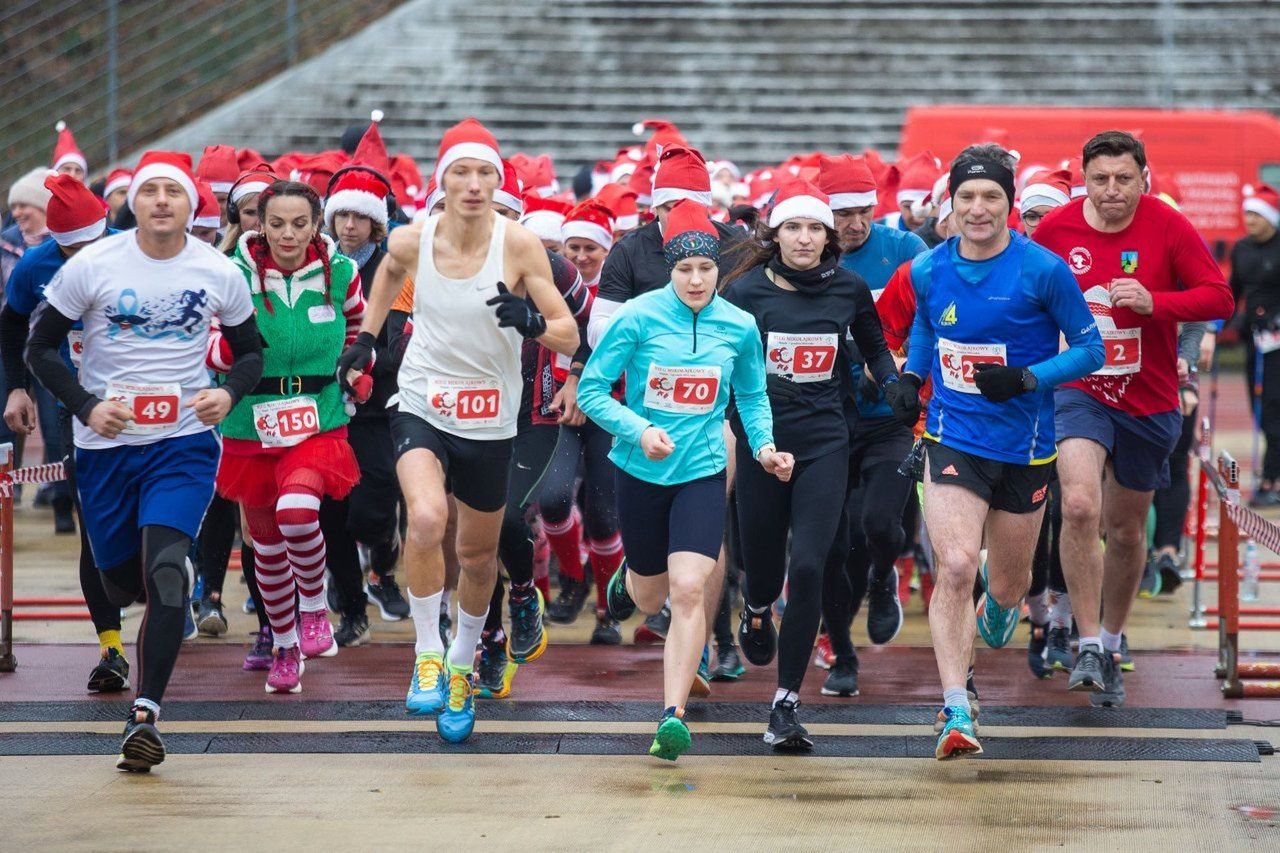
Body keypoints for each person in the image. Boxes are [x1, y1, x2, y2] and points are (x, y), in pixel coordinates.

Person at [337, 118, 579, 743]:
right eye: (460, 173)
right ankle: (426, 653)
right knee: (424, 517)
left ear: (497, 183)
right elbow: (388, 273)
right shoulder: (412, 239)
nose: (473, 184)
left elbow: (568, 333)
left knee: (476, 555)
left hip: (491, 416)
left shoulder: (520, 246)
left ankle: (462, 666)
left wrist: (532, 321)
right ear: (442, 182)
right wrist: (366, 339)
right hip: (422, 399)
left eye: (484, 174)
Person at [26, 150, 263, 771]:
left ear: (192, 205)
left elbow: (251, 354)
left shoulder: (218, 271)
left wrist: (228, 394)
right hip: (106, 448)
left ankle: (145, 715)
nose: (161, 200)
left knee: (166, 573)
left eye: (173, 191)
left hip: (182, 444)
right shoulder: (94, 264)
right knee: (122, 583)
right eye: (150, 190)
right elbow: (39, 347)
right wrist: (86, 406)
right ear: (133, 203)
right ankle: (133, 598)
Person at [887, 143, 1104, 759]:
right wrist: (912, 375)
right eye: (967, 197)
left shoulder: (1043, 270)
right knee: (955, 566)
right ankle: (956, 708)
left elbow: (1091, 350)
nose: (978, 208)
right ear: (951, 204)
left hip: (1025, 447)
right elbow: (928, 326)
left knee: (1008, 586)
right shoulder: (928, 268)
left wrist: (1029, 378)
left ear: (1009, 205)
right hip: (952, 435)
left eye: (991, 197)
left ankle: (1000, 605)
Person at [581, 200, 793, 760]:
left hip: (702, 471)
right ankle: (630, 578)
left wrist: (764, 447)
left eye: (705, 269)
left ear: (718, 269)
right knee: (651, 595)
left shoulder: (738, 325)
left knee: (690, 588)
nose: (696, 280)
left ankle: (671, 716)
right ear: (669, 270)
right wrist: (640, 429)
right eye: (684, 270)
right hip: (641, 470)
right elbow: (592, 392)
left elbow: (751, 395)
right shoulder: (638, 317)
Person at [1033, 131, 1234, 707]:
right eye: (1100, 179)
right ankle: (1085, 641)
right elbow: (1024, 293)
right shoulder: (1056, 230)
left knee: (1124, 530)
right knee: (1078, 505)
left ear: (1143, 178)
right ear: (1084, 180)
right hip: (1080, 389)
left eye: (1124, 179)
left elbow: (1219, 298)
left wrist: (1156, 303)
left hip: (1148, 398)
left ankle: (1112, 639)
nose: (1112, 190)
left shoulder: (1168, 226)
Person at [723, 180, 902, 749]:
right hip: (762, 443)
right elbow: (722, 365)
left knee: (808, 567)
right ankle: (756, 608)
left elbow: (874, 347)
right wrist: (748, 436)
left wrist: (894, 384)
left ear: (829, 238)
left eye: (815, 229)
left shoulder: (849, 288)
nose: (804, 238)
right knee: (762, 569)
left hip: (826, 442)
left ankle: (785, 703)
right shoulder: (744, 292)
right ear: (775, 235)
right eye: (794, 228)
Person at [210, 180, 368, 695]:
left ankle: (315, 610)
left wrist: (356, 369)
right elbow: (208, 342)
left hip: (317, 414)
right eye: (276, 223)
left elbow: (357, 326)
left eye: (300, 224)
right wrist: (231, 351)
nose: (288, 234)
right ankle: (283, 644)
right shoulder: (233, 274)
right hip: (251, 419)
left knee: (297, 513)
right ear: (260, 224)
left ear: (317, 224)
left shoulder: (341, 272)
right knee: (267, 545)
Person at [589, 143, 746, 651]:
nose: (679, 216)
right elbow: (597, 330)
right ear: (652, 206)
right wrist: (654, 332)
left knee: (710, 506)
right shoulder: (631, 250)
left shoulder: (735, 245)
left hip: (720, 400)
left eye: (691, 206)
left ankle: (705, 642)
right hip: (649, 406)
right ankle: (639, 573)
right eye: (668, 207)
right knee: (658, 564)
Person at [1, 174, 123, 688]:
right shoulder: (36, 265)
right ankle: (111, 648)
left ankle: (171, 594)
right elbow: (12, 327)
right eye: (71, 250)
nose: (83, 259)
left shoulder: (133, 250)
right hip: (79, 404)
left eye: (91, 246)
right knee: (91, 525)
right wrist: (17, 388)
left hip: (146, 405)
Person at [815, 154, 927, 698]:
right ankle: (842, 653)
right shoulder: (806, 253)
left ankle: (885, 577)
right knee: (832, 545)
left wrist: (901, 363)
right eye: (843, 215)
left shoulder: (904, 249)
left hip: (888, 419)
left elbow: (936, 314)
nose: (856, 224)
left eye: (864, 211)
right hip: (826, 420)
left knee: (879, 525)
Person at [321, 156, 410, 646]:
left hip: (378, 405)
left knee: (372, 509)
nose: (350, 226)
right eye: (342, 216)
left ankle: (383, 557)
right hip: (323, 403)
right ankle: (352, 608)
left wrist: (365, 362)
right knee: (332, 512)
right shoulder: (318, 263)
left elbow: (398, 338)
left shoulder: (394, 267)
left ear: (377, 222)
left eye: (360, 217)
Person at [542, 200, 626, 643]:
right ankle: (574, 579)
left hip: (608, 408)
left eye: (590, 248)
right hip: (557, 407)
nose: (579, 255)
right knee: (552, 500)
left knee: (604, 515)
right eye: (571, 247)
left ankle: (608, 610)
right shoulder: (548, 287)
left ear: (606, 252)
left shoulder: (619, 290)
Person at [1232, 184, 1280, 506]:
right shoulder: (1242, 249)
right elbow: (1232, 290)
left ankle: (1271, 478)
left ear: (1271, 218)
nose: (1249, 220)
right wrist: (1214, 325)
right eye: (1247, 214)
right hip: (1253, 340)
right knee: (1260, 407)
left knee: (1275, 407)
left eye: (1256, 215)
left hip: (1278, 341)